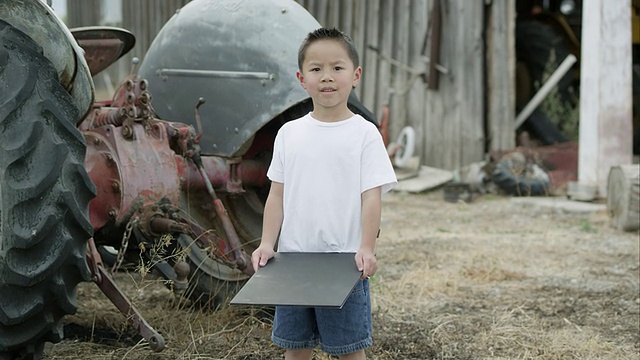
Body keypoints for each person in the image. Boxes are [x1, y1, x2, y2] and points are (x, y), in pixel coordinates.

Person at [251, 27, 397, 360]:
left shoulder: (364, 135)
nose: (327, 77)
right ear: (302, 79)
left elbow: (371, 198)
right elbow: (277, 196)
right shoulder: (289, 134)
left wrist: (366, 248)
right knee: (295, 349)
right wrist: (266, 243)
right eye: (316, 69)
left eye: (337, 68)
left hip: (344, 264)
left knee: (348, 350)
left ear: (355, 75)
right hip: (292, 261)